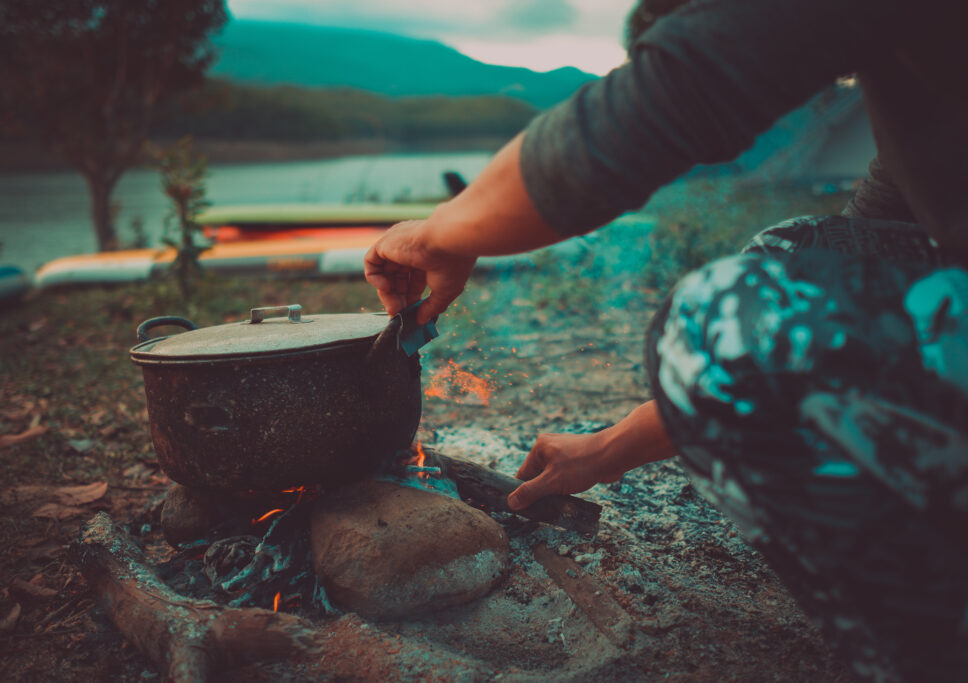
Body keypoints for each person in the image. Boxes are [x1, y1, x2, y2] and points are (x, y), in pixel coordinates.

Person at [363, 1, 968, 680]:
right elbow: (853, 276)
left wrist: (440, 231)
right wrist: (609, 449)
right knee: (793, 259)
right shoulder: (924, 94)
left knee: (719, 313)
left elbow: (674, 97)